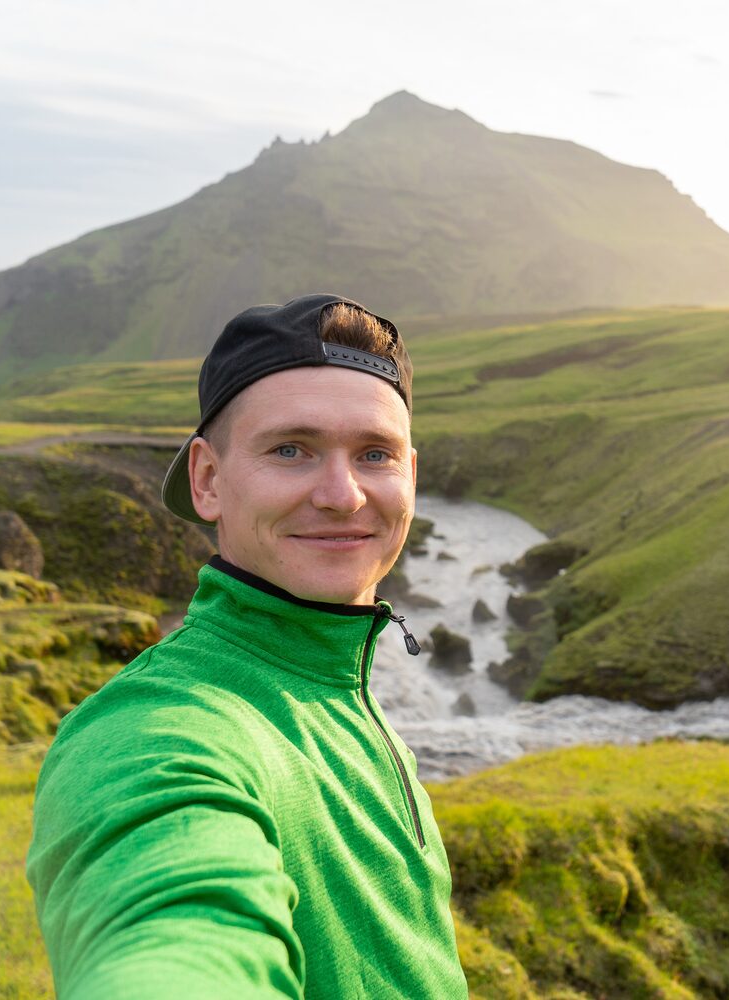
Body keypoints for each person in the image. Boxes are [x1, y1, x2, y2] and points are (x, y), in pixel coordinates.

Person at [26, 294, 468, 998]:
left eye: (374, 454)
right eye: (291, 449)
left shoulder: (340, 688)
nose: (343, 494)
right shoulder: (152, 729)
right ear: (207, 479)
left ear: (409, 476)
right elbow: (174, 926)